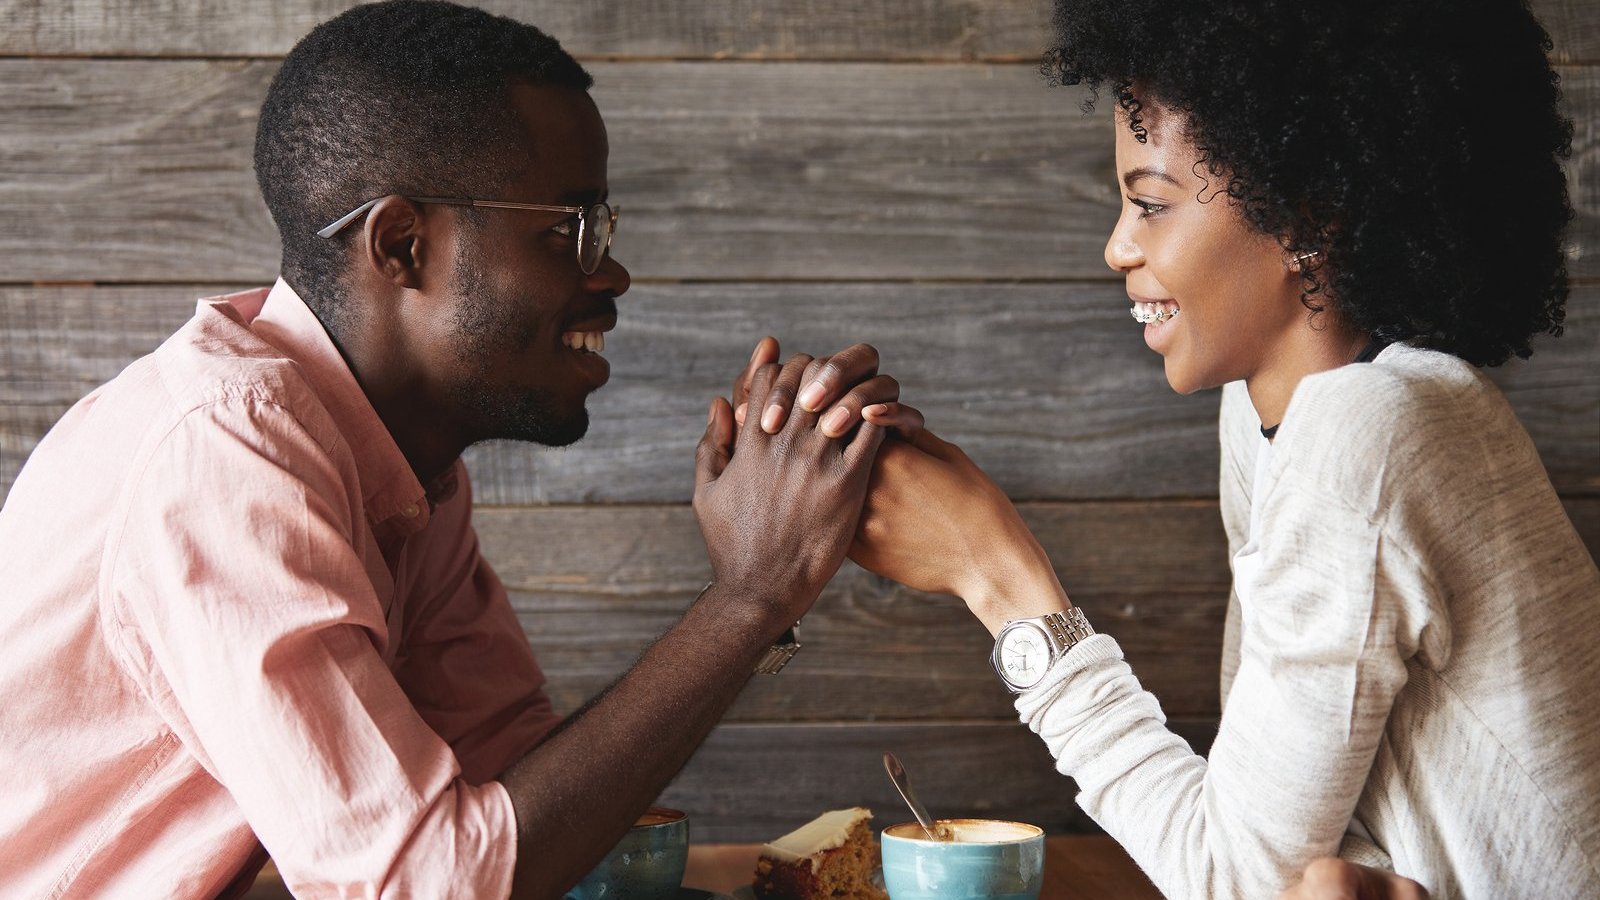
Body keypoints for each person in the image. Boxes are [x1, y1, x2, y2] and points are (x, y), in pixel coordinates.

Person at [0, 2, 918, 896]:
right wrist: (750, 597)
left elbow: (517, 789)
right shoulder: (225, 463)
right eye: (570, 230)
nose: (612, 274)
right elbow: (433, 883)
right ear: (402, 244)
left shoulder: (405, 470)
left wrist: (775, 533)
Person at [826, 0, 1600, 896]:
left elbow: (1233, 877)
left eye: (1151, 204)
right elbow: (1289, 840)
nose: (1118, 245)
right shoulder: (1269, 412)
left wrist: (1001, 580)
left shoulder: (1369, 432)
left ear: (1309, 218)